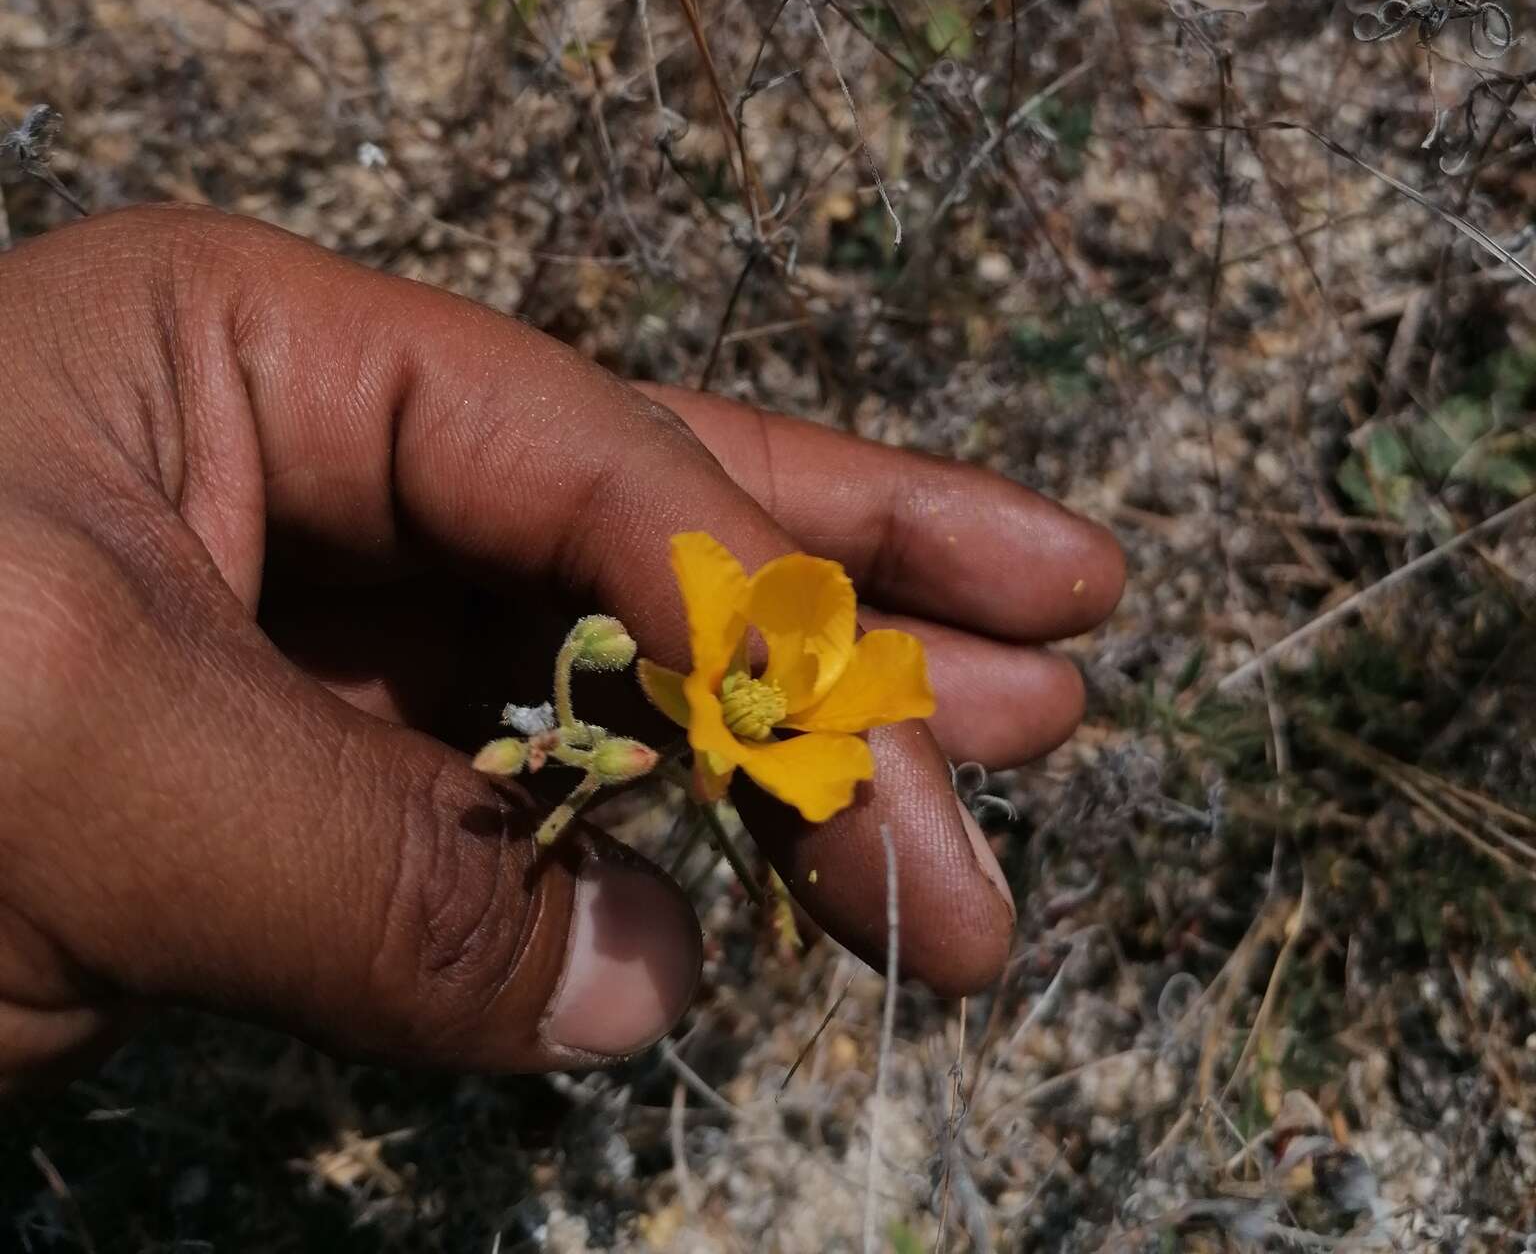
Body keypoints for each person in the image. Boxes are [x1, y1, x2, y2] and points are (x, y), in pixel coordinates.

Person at [0, 205, 1123, 1092]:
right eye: (741, 688)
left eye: (753, 696)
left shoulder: (768, 722)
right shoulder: (707, 691)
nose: (747, 696)